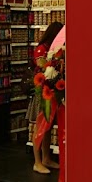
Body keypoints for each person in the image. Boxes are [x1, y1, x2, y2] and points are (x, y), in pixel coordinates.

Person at [29, 21, 63, 174]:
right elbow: (41, 69)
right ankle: (37, 162)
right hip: (41, 92)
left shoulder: (52, 49)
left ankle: (46, 158)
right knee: (40, 126)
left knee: (47, 127)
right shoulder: (41, 49)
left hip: (50, 92)